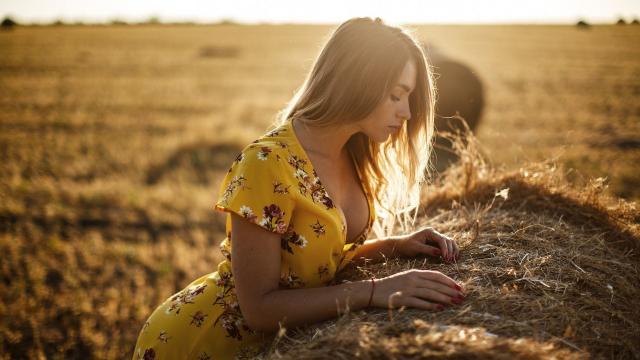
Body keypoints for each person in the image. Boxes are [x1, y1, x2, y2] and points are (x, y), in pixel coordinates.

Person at [132, 16, 463, 360]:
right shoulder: (267, 164)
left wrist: (395, 246)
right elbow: (259, 309)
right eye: (396, 95)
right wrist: (376, 291)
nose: (407, 112)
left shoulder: (354, 153)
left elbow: (317, 260)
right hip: (204, 344)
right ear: (357, 84)